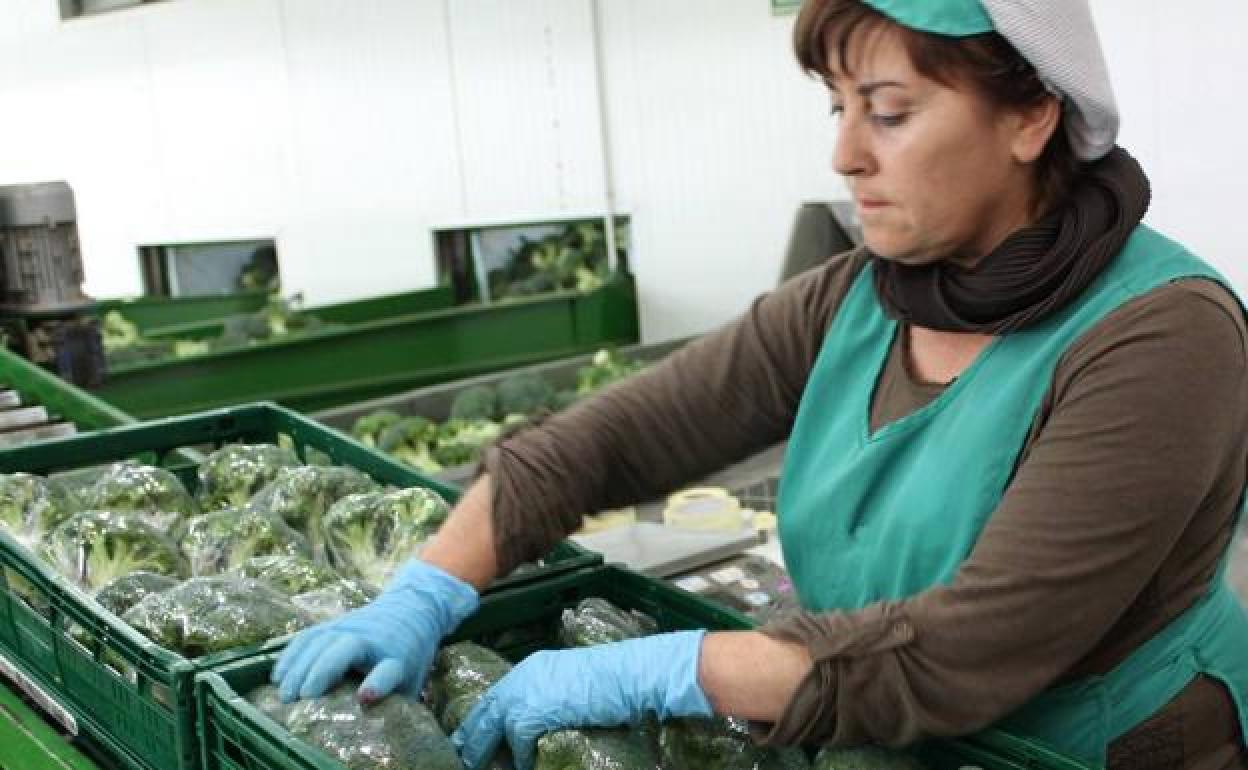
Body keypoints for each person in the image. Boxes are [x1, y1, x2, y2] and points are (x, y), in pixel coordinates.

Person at [274, 1, 1248, 768]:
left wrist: (654, 670)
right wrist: (429, 585)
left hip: (1088, 744)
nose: (845, 154)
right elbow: (614, 438)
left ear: (1034, 112)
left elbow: (968, 647)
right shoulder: (861, 297)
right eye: (840, 106)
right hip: (877, 728)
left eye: (891, 111)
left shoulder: (1164, 334)